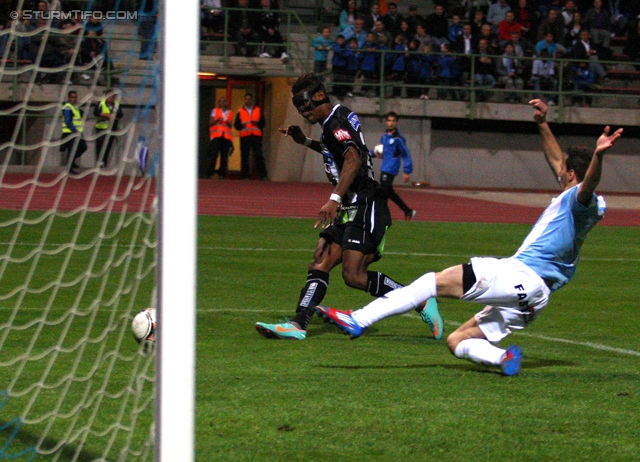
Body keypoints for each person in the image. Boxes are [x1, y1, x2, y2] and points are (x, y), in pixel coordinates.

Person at [316, 99, 623, 376]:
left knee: (431, 283)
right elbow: (560, 161)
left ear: (571, 175)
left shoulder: (581, 199)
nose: (558, 169)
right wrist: (542, 124)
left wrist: (598, 156)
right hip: (535, 298)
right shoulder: (578, 198)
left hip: (522, 275)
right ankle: (503, 357)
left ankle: (359, 320)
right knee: (457, 340)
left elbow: (587, 184)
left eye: (563, 169)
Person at [254, 73, 440, 340]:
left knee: (354, 275)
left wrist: (334, 198)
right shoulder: (334, 120)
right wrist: (305, 142)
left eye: (305, 105)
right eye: (299, 108)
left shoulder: (335, 122)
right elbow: (338, 151)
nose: (304, 112)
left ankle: (419, 300)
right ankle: (298, 324)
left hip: (364, 202)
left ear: (319, 96)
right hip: (350, 203)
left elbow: (352, 158)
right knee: (320, 260)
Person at [373, 111, 416, 220]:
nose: (391, 123)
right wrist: (371, 153)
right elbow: (383, 152)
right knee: (387, 191)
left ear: (396, 123)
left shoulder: (398, 138)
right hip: (384, 167)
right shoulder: (384, 137)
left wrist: (407, 171)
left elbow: (405, 154)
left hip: (391, 168)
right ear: (386, 122)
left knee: (385, 191)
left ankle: (381, 215)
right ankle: (407, 211)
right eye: (389, 120)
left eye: (393, 121)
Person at [234, 93, 267, 180]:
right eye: (246, 99)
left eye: (249, 99)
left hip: (256, 136)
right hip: (245, 136)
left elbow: (263, 124)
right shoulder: (240, 111)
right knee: (245, 156)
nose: (248, 100)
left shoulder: (258, 110)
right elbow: (236, 125)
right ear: (244, 100)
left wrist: (257, 123)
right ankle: (245, 175)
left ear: (252, 100)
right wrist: (242, 125)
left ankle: (262, 175)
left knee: (258, 155)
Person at [93, 89, 124, 168]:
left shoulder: (116, 104)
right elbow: (96, 112)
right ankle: (99, 161)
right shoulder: (101, 103)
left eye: (113, 96)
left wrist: (114, 116)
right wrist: (105, 115)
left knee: (108, 145)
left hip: (112, 128)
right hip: (101, 128)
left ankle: (104, 161)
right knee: (100, 144)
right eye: (109, 96)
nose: (111, 98)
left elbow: (120, 114)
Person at [206, 96, 234, 179]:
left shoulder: (230, 112)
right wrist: (217, 120)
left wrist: (228, 122)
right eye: (221, 101)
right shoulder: (215, 111)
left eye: (224, 101)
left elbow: (230, 125)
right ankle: (210, 173)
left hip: (226, 136)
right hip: (216, 136)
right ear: (218, 103)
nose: (223, 103)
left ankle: (222, 174)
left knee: (224, 156)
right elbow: (210, 123)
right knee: (214, 155)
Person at [60, 90, 87, 174]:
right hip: (70, 132)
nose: (74, 99)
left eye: (75, 97)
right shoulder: (67, 107)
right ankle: (69, 168)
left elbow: (79, 115)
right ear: (69, 98)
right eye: (72, 97)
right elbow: (68, 121)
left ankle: (71, 162)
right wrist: (74, 131)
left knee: (83, 147)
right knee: (72, 150)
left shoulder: (75, 107)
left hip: (77, 132)